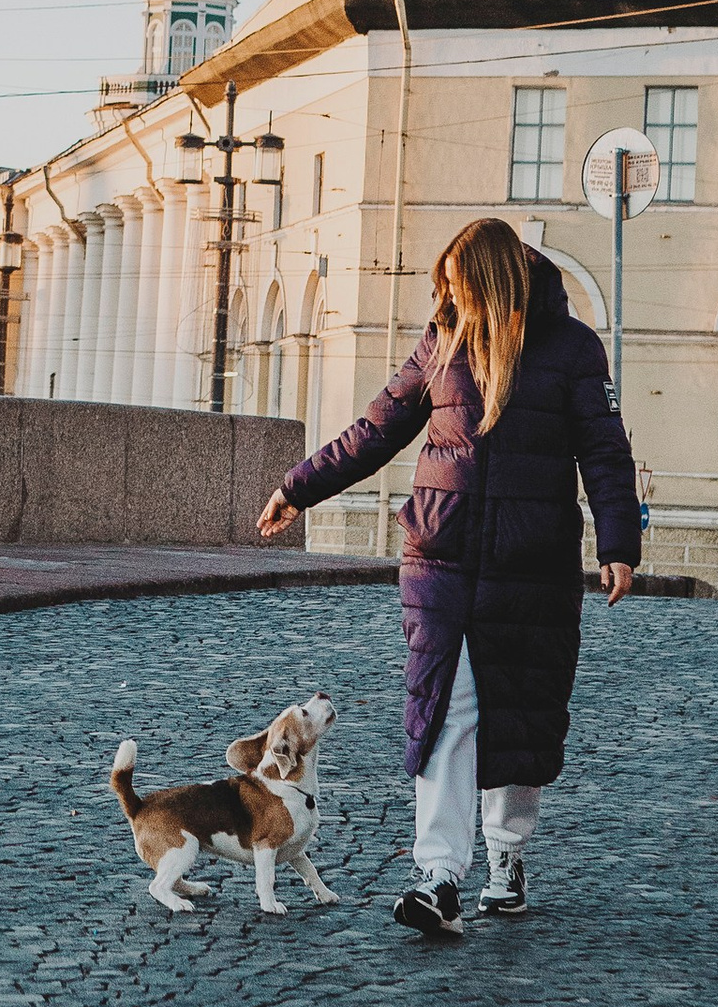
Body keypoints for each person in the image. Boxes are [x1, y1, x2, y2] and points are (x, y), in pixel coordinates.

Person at [257, 215, 640, 940]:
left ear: (492, 283)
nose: (448, 297)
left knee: (520, 719)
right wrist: (297, 486)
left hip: (532, 572)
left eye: (459, 285)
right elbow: (375, 431)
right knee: (445, 715)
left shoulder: (572, 350)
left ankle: (508, 857)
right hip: (442, 565)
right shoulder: (442, 345)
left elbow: (605, 452)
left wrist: (619, 543)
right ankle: (437, 878)